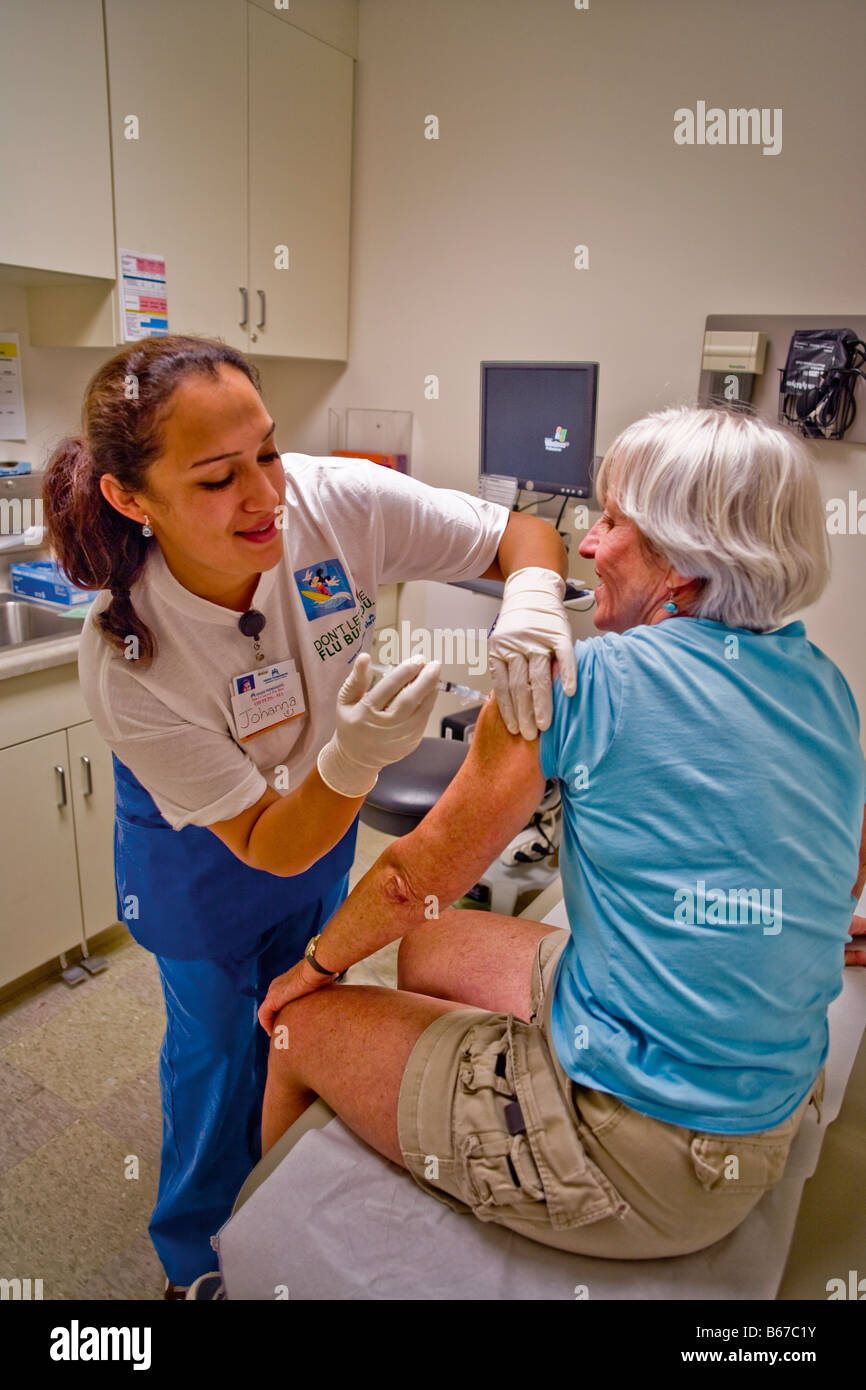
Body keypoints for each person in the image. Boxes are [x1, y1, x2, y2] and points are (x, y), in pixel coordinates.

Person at [258, 405, 866, 1260]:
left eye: (615, 523)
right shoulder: (824, 685)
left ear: (683, 563)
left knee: (298, 1030)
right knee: (433, 944)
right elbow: (844, 860)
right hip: (770, 1097)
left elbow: (413, 876)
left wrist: (312, 969)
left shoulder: (582, 682)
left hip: (644, 1154)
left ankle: (261, 1258)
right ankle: (448, 1076)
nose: (588, 546)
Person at [42, 333, 575, 1294]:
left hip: (319, 815)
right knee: (216, 1054)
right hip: (203, 850)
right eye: (217, 478)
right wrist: (356, 758)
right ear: (131, 498)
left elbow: (521, 535)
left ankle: (277, 1201)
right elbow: (265, 842)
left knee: (297, 1008)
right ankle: (194, 1256)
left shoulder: (336, 500)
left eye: (268, 451)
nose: (265, 496)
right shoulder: (130, 660)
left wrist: (532, 603)